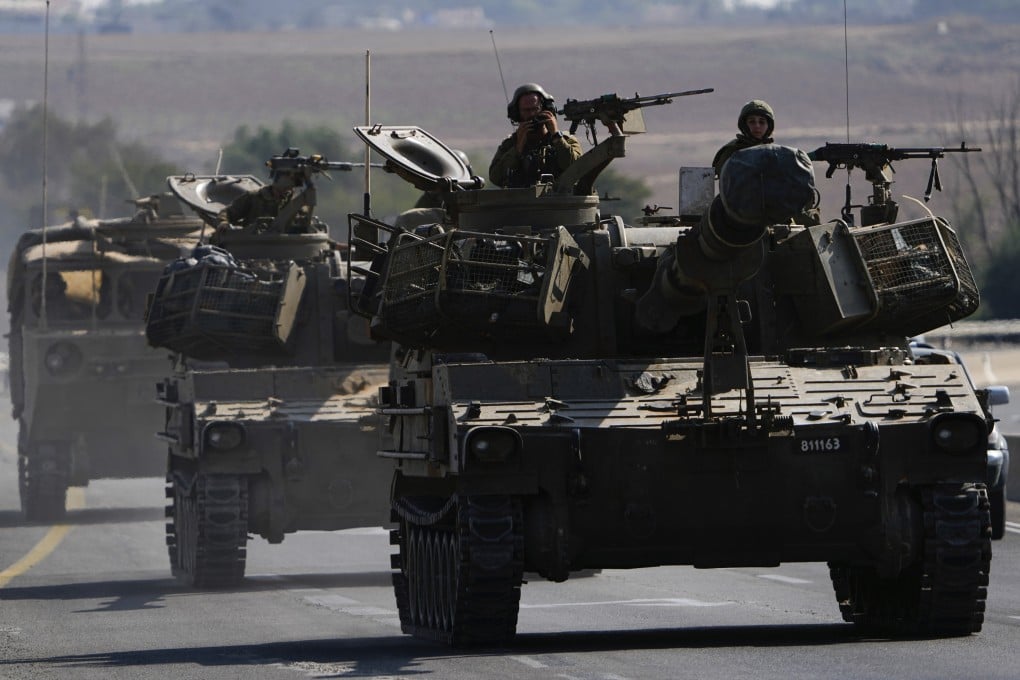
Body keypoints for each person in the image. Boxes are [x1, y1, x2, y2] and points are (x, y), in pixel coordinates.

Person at [489, 83, 583, 188]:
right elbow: (495, 177)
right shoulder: (510, 144)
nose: (532, 115)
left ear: (545, 109)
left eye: (535, 109)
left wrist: (556, 137)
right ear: (517, 113)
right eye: (526, 110)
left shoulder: (566, 139)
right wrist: (518, 149)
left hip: (560, 202)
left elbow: (578, 169)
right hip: (523, 202)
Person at [217, 168, 311, 233]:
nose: (289, 187)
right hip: (255, 245)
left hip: (286, 247)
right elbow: (227, 213)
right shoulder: (255, 197)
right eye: (288, 178)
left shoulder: (296, 202)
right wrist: (223, 223)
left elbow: (304, 224)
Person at [712, 99, 775, 179]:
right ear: (744, 125)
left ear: (768, 126)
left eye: (762, 122)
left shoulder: (774, 154)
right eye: (752, 122)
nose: (757, 126)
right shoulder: (732, 151)